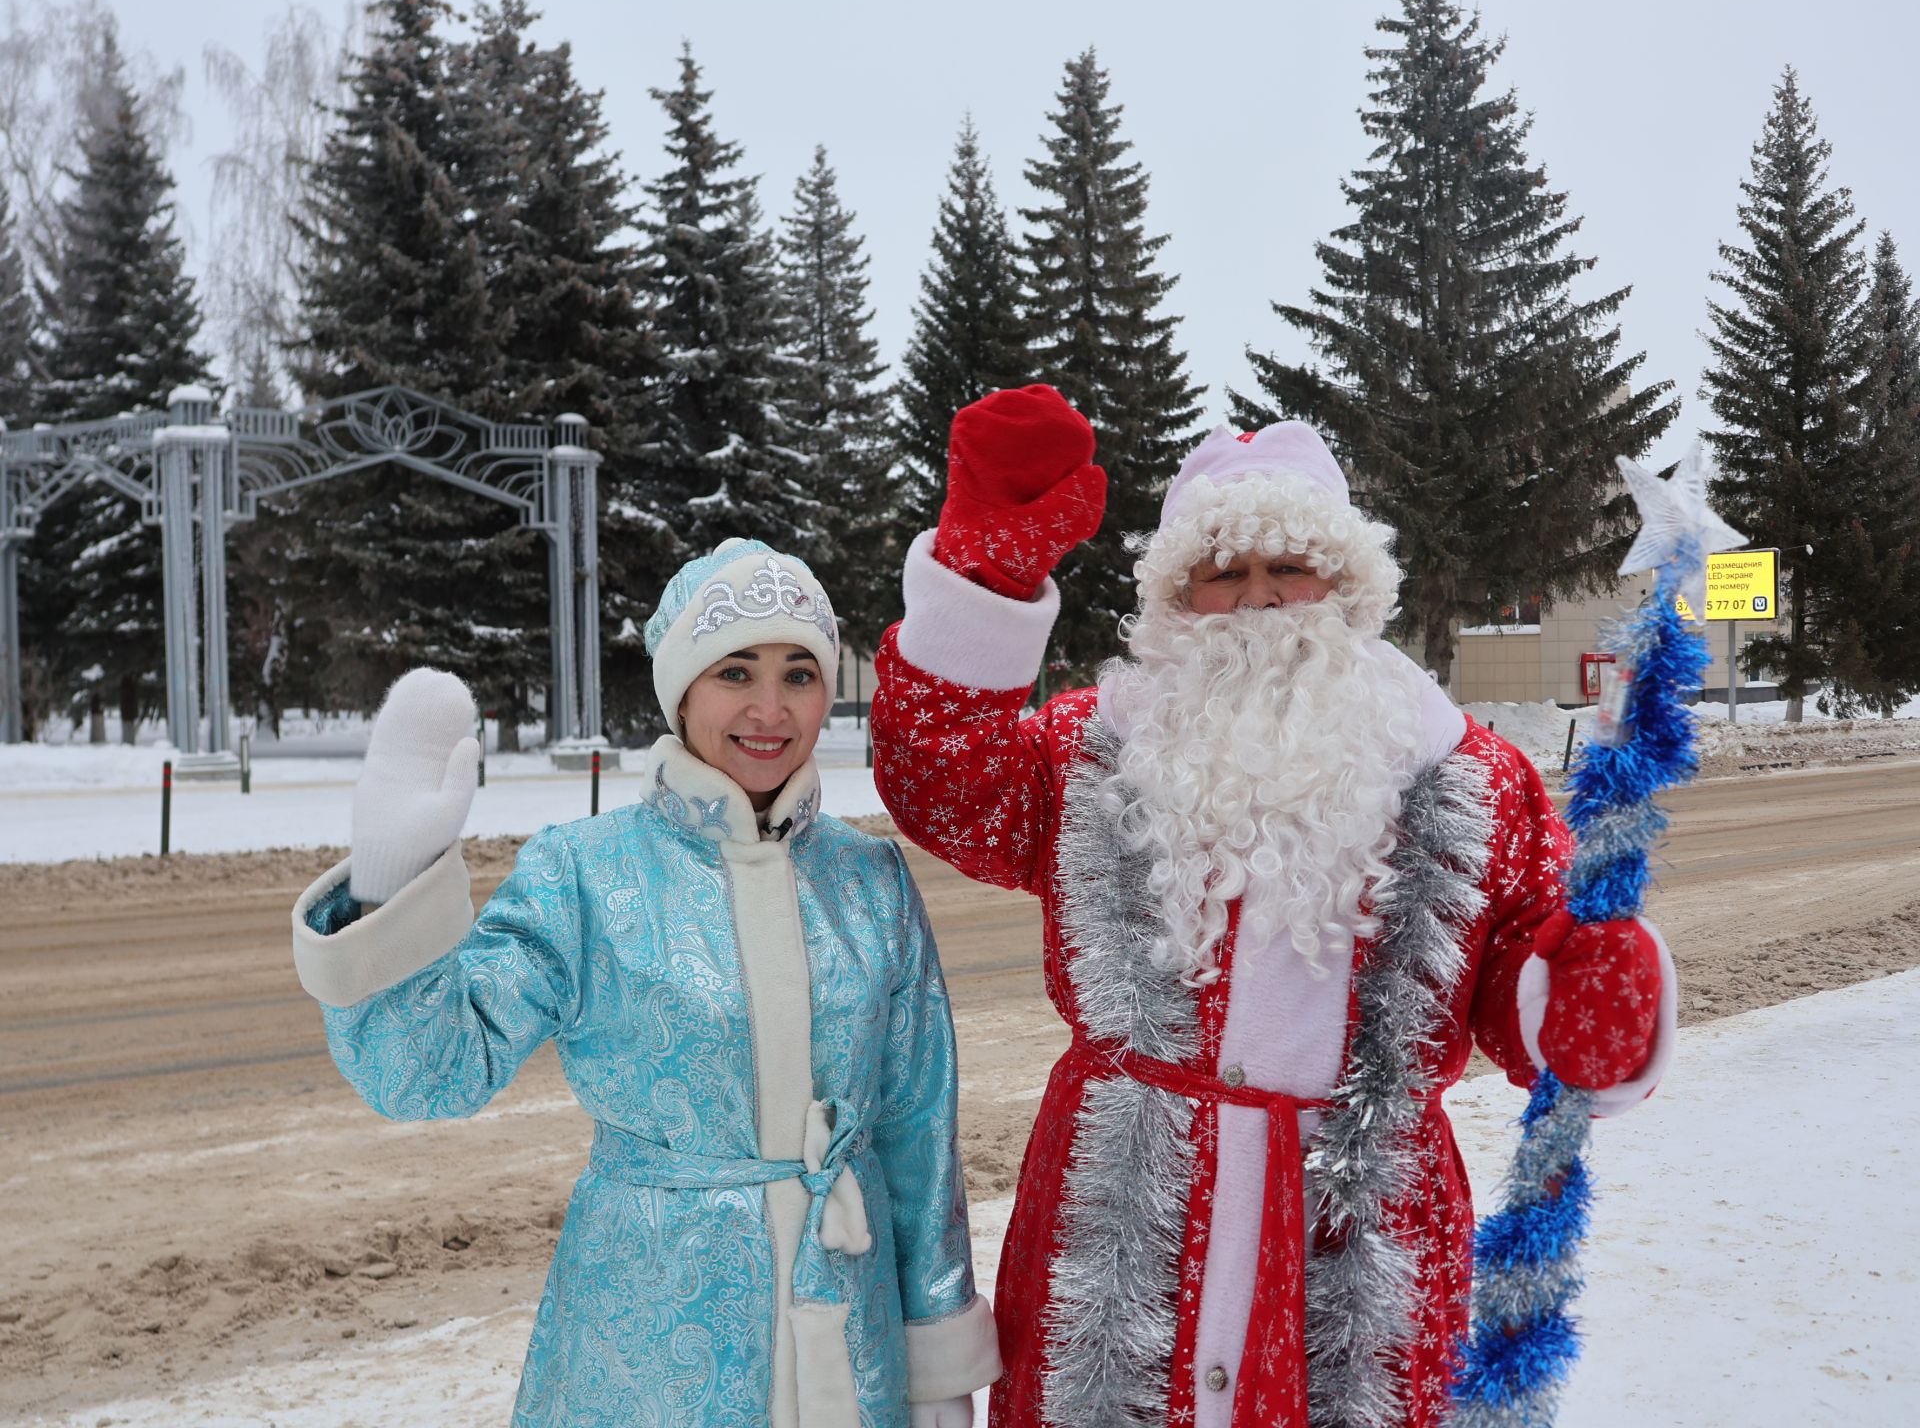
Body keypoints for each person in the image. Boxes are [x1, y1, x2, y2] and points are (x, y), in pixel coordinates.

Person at [869, 388, 1676, 1428]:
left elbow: (1522, 988)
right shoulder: (1089, 752)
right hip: (1121, 1214)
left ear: (1345, 584)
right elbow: (944, 781)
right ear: (1177, 598)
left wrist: (1589, 1004)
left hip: (1362, 1227)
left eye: (1289, 566)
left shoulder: (1467, 775)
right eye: (1223, 574)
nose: (1258, 599)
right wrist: (988, 571)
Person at [290, 539, 998, 1428]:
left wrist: (937, 1360)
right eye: (735, 671)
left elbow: (916, 1132)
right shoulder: (586, 874)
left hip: (849, 1340)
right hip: (648, 1346)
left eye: (800, 674)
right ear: (682, 688)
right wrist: (388, 886)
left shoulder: (870, 880)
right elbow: (425, 1072)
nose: (770, 709)